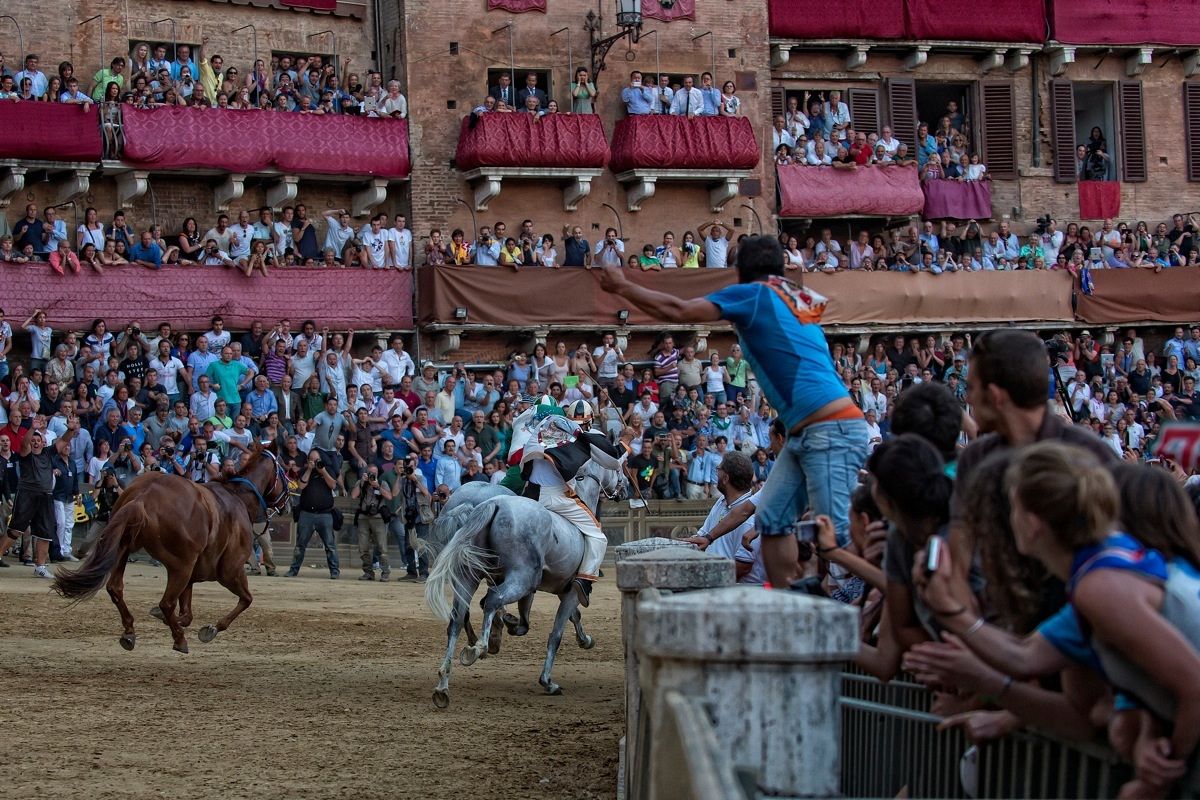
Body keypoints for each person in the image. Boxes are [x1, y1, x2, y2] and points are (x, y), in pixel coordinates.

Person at [599, 236, 867, 588]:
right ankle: (784, 606)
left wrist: (622, 286)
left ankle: (875, 606)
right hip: (812, 430)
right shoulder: (796, 295)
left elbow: (680, 312)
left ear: (739, 272)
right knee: (770, 520)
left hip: (829, 429)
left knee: (838, 533)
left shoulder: (755, 293)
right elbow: (813, 305)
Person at [515, 399, 633, 606]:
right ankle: (584, 579)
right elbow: (614, 460)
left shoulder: (546, 423)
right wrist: (626, 439)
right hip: (554, 496)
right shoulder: (585, 435)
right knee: (598, 535)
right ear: (590, 422)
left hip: (528, 495)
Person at [1, 420, 77, 578]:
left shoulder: (48, 453)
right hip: (27, 495)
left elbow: (64, 441)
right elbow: (23, 444)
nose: (35, 442)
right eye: (33, 440)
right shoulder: (25, 454)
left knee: (45, 533)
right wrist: (32, 429)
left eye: (38, 440)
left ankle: (40, 567)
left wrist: (70, 429)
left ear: (44, 442)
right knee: (16, 530)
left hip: (46, 496)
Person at [287, 448, 340, 579]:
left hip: (325, 514)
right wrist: (310, 469)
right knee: (300, 545)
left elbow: (333, 485)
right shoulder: (305, 471)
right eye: (311, 460)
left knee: (330, 546)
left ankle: (334, 571)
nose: (314, 462)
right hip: (306, 514)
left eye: (317, 460)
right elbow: (301, 486)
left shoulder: (329, 469)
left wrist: (323, 471)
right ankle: (293, 571)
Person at [351, 465, 392, 581]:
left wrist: (377, 486)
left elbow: (389, 497)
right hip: (363, 517)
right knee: (363, 547)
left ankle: (385, 572)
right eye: (370, 473)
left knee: (382, 547)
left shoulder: (382, 483)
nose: (372, 475)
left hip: (378, 518)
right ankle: (368, 572)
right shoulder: (361, 482)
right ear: (366, 473)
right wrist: (362, 482)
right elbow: (354, 496)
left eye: (375, 473)